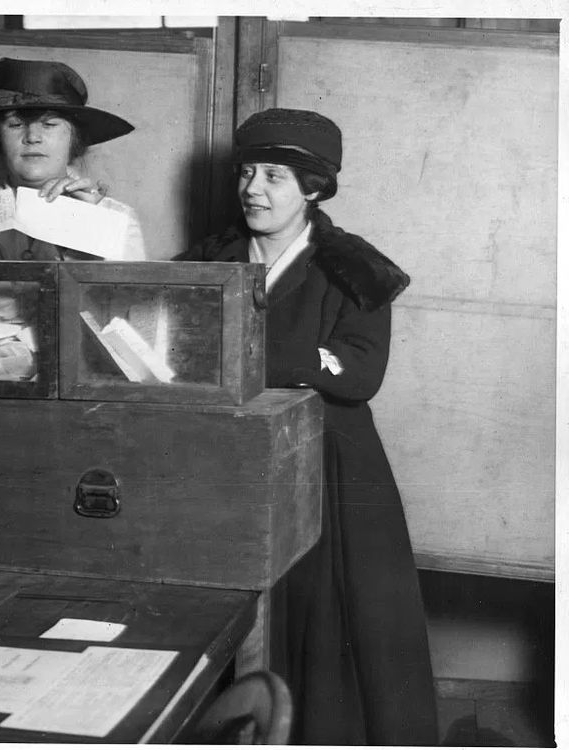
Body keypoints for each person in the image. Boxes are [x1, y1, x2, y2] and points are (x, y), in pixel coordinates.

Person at [177, 108, 438, 745]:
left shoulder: (355, 268)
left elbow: (358, 375)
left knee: (330, 619)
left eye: (274, 176)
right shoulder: (210, 259)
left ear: (314, 188)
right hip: (229, 457)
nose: (252, 189)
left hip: (328, 465)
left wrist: (261, 355)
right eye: (246, 172)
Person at [0, 57, 145, 261]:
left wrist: (85, 229)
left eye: (50, 124)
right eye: (15, 124)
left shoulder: (116, 218)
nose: (32, 137)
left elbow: (126, 296)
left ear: (74, 139)